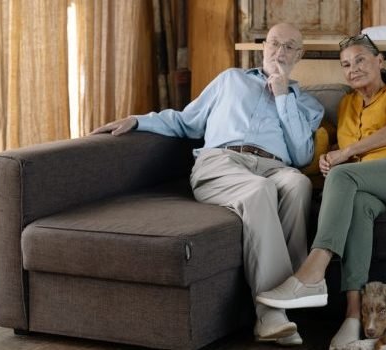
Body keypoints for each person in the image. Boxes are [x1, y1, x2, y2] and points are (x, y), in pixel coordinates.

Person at [92, 23, 323, 347]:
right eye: (274, 44)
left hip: (274, 166)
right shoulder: (230, 80)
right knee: (259, 191)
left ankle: (293, 290)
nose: (279, 52)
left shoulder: (308, 104)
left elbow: (300, 155)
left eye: (288, 47)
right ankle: (270, 313)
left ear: (300, 54)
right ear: (263, 47)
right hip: (222, 162)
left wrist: (283, 95)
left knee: (297, 184)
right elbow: (187, 121)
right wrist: (138, 120)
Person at [255, 33, 386, 349]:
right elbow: (349, 154)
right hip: (370, 184)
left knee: (342, 175)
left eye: (360, 60)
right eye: (345, 65)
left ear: (380, 61)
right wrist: (330, 155)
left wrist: (343, 156)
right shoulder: (348, 104)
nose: (352, 68)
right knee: (358, 207)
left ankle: (312, 274)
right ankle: (354, 317)